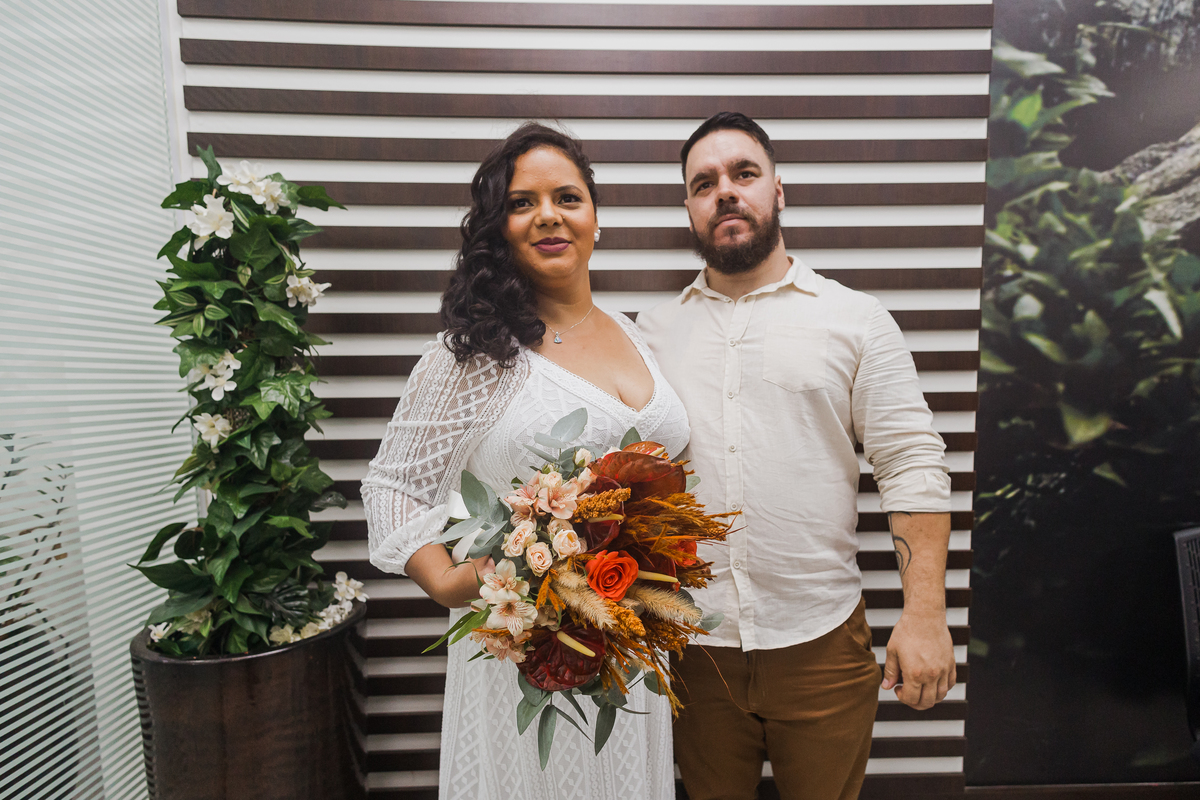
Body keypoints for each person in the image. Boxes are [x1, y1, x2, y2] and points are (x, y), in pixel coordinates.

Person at [361, 123, 686, 800]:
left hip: (625, 643)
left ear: (594, 215)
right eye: (521, 202)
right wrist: (447, 582)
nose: (548, 215)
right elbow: (392, 482)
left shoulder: (634, 331)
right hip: (521, 650)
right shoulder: (477, 357)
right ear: (498, 227)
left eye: (567, 196)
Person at [637, 112, 957, 800]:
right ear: (688, 208)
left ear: (779, 191)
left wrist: (926, 613)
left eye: (743, 174)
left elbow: (911, 464)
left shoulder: (855, 318)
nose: (725, 191)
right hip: (697, 649)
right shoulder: (651, 335)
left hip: (822, 642)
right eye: (704, 183)